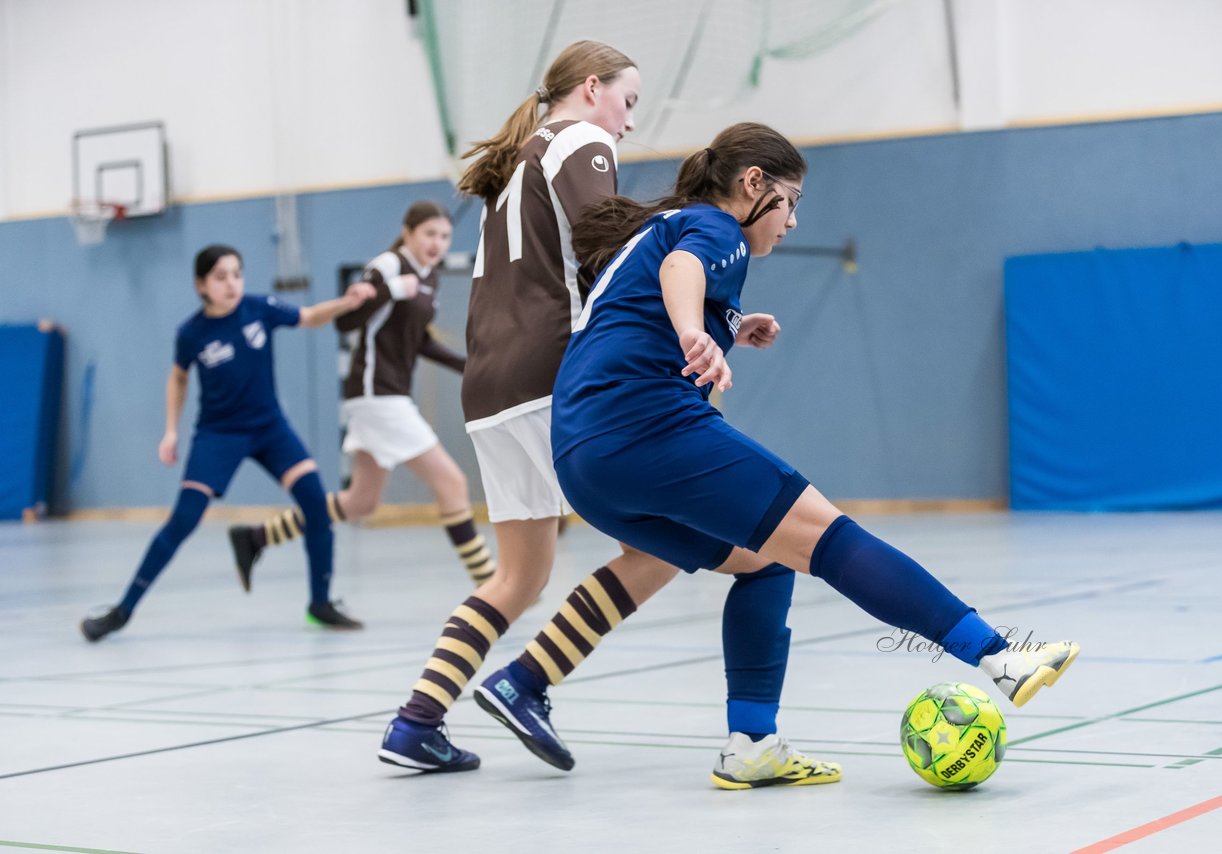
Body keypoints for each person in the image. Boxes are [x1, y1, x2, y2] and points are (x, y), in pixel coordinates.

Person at [485, 122, 1080, 788]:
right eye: (790, 202)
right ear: (752, 185)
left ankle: (752, 743)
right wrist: (695, 334)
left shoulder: (668, 228)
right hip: (644, 426)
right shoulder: (716, 231)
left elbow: (646, 294)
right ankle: (999, 657)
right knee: (831, 537)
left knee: (766, 564)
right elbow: (683, 273)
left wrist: (731, 325)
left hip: (582, 457)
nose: (792, 222)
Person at [377, 41, 842, 790]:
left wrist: (717, 315)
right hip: (553, 376)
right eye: (627, 102)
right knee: (668, 544)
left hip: (489, 387)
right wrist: (701, 275)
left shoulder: (516, 164)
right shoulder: (580, 139)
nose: (628, 124)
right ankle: (525, 683)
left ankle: (416, 723)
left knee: (520, 576)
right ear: (591, 90)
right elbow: (613, 243)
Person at [80, 245, 374, 642]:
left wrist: (346, 301)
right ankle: (122, 610)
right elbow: (178, 378)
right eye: (220, 276)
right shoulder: (192, 333)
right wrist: (171, 431)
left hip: (270, 428)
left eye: (237, 273)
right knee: (184, 519)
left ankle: (319, 604)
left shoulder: (261, 308)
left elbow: (308, 317)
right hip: (219, 434)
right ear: (201, 284)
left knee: (315, 504)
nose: (231, 283)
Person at [228, 202, 496, 592]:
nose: (437, 243)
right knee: (452, 484)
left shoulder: (429, 277)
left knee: (360, 503)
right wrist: (388, 291)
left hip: (384, 396)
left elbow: (418, 340)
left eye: (444, 236)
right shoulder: (388, 266)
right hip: (377, 394)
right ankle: (491, 586)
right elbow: (346, 320)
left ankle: (255, 538)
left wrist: (467, 366)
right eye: (429, 234)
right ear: (408, 233)